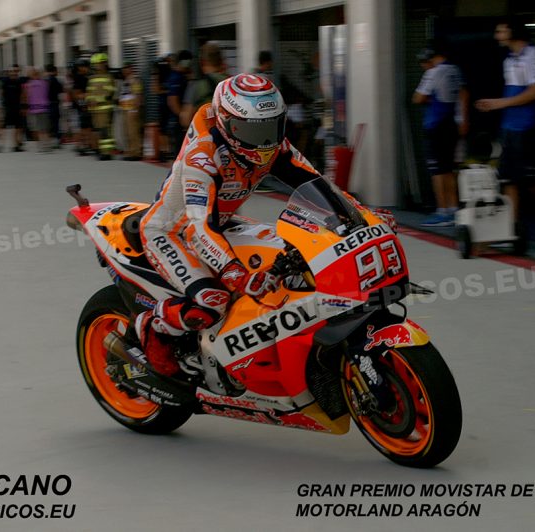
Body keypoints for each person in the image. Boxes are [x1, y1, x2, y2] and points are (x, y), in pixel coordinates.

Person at [133, 74, 397, 378]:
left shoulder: (274, 147)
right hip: (172, 232)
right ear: (226, 122)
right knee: (212, 300)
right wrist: (234, 272)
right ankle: (154, 327)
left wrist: (362, 215)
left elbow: (319, 185)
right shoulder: (202, 156)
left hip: (222, 223)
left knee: (293, 261)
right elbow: (197, 227)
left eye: (271, 127)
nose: (264, 142)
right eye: (251, 130)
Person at [476, 18, 535, 234]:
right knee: (508, 178)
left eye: (500, 31)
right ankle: (511, 227)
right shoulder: (508, 60)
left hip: (527, 126)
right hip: (509, 126)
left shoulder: (532, 54)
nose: (497, 36)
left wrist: (498, 103)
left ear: (513, 31)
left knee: (532, 180)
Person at [413, 45, 469, 227]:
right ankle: (453, 209)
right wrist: (462, 119)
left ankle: (442, 210)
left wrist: (430, 99)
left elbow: (417, 98)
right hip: (452, 124)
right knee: (449, 170)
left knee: (437, 171)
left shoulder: (433, 73)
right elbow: (463, 94)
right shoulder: (454, 70)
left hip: (435, 126)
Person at [179, 43, 227, 129]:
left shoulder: (196, 86)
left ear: (202, 62)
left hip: (206, 137)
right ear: (221, 60)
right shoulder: (230, 82)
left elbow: (186, 120)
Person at [86, 52, 117, 160]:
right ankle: (101, 150)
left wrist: (98, 101)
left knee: (105, 131)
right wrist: (89, 101)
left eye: (98, 63)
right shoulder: (92, 78)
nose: (96, 66)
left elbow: (111, 93)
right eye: (95, 64)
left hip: (105, 108)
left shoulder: (109, 77)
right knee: (99, 131)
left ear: (104, 63)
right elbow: (89, 92)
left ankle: (107, 153)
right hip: (94, 109)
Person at [166, 50, 193, 155]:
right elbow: (172, 100)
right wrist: (182, 116)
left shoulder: (182, 76)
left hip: (180, 119)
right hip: (177, 121)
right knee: (180, 150)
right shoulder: (176, 77)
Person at [22, 68, 52, 153]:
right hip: (44, 107)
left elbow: (26, 96)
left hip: (34, 109)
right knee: (45, 128)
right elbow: (47, 93)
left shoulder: (28, 85)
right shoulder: (45, 83)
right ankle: (47, 145)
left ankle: (40, 146)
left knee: (37, 129)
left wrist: (26, 107)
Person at [118, 61, 143, 161]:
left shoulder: (135, 80)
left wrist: (135, 109)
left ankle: (136, 152)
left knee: (133, 132)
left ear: (131, 68)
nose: (124, 70)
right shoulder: (126, 80)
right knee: (127, 132)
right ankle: (130, 151)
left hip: (131, 110)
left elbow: (138, 95)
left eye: (126, 68)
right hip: (125, 109)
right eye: (124, 68)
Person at [0, 65, 25, 152]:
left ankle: (16, 144)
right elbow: (1, 93)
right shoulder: (5, 81)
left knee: (17, 127)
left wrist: (23, 106)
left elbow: (22, 94)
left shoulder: (19, 82)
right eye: (11, 71)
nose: (13, 73)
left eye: (15, 72)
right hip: (8, 107)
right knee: (5, 126)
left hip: (17, 107)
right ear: (9, 73)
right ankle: (1, 144)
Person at [71, 59, 93, 155]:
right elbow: (77, 94)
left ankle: (82, 145)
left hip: (83, 105)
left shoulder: (82, 77)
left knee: (84, 126)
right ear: (80, 68)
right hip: (83, 105)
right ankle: (82, 146)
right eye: (86, 66)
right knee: (85, 127)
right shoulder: (79, 78)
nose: (87, 68)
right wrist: (83, 104)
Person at [45, 64, 64, 148]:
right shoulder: (55, 80)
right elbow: (61, 90)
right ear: (54, 71)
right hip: (54, 103)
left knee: (51, 123)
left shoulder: (46, 80)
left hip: (47, 103)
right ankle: (56, 140)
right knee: (55, 123)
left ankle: (52, 140)